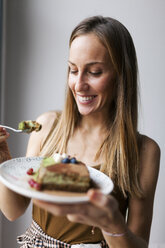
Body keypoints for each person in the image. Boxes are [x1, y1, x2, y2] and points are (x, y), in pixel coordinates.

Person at [0, 15, 160, 248]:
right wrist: (3, 158)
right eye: (73, 70)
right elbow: (12, 211)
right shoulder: (46, 127)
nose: (79, 84)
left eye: (94, 72)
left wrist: (111, 222)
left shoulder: (144, 151)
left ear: (120, 77)